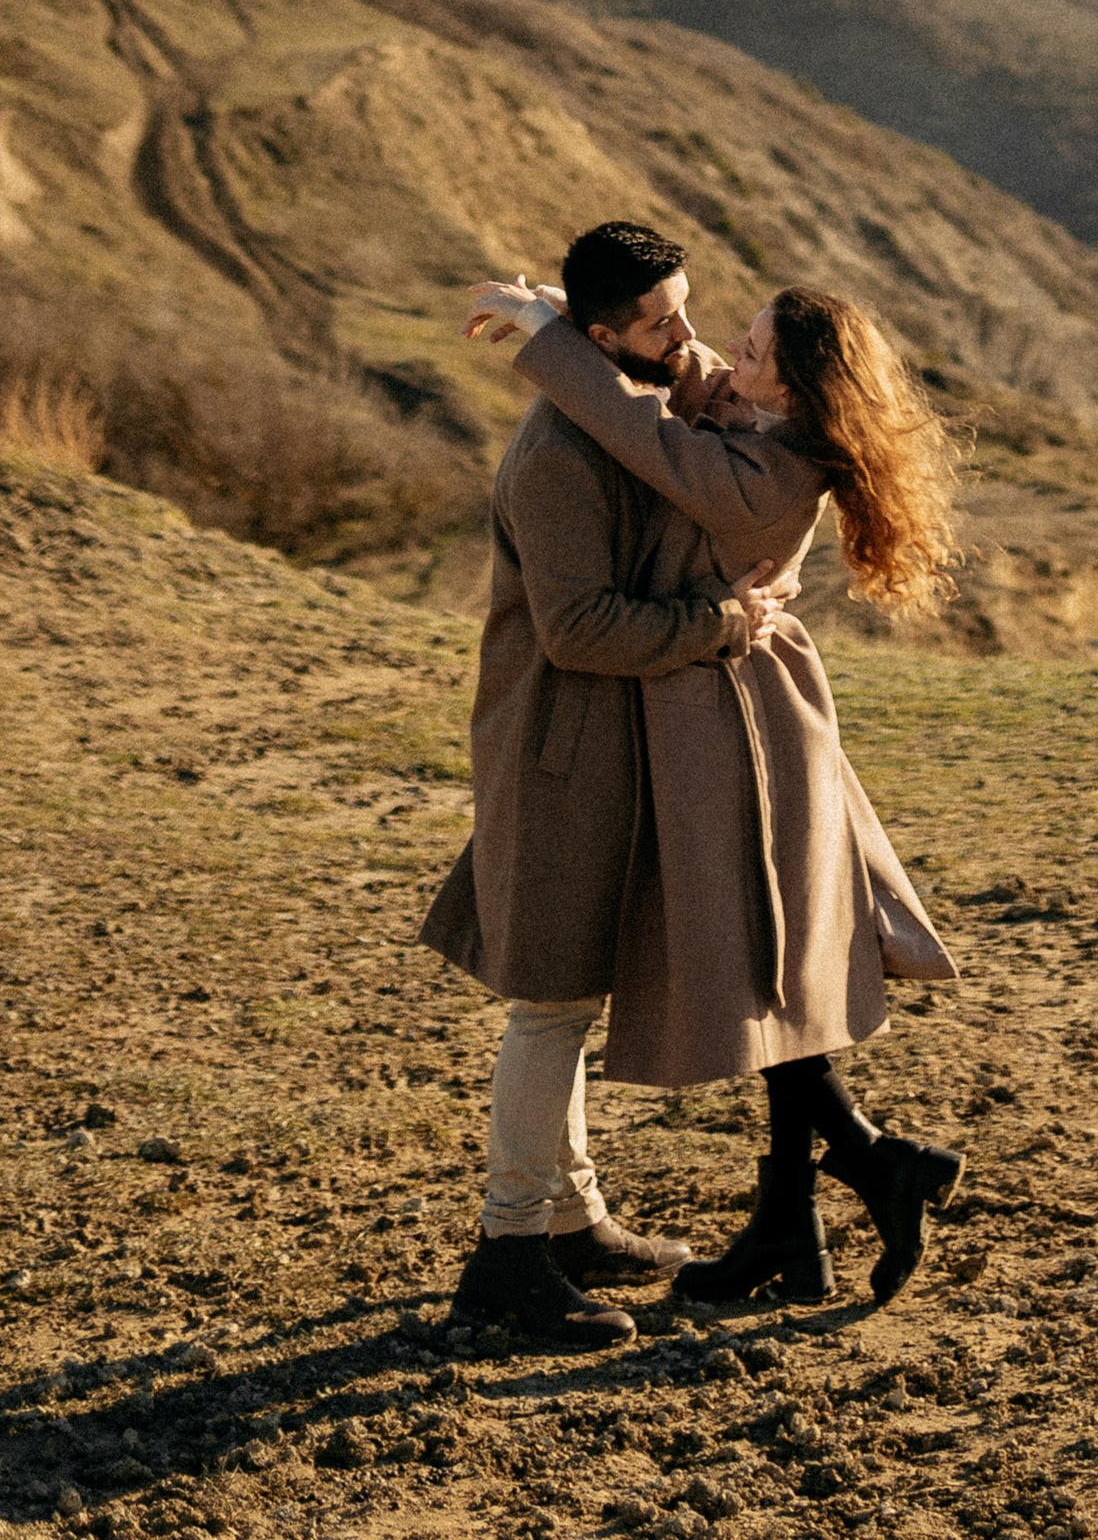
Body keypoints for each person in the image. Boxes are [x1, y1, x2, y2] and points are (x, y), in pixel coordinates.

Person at [467, 262, 965, 1309]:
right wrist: (574, 327)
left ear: (793, 390)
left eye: (747, 352)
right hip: (713, 718)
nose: (711, 354)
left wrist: (546, 334)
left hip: (738, 727)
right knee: (768, 965)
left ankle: (846, 1178)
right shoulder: (757, 426)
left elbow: (648, 431)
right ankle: (817, 1206)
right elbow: (676, 386)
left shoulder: (762, 471)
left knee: (767, 964)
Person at [420, 219, 787, 1352]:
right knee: (550, 1006)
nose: (685, 340)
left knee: (568, 1002)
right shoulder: (559, 458)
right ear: (598, 338)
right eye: (658, 323)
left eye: (686, 308)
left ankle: (571, 1222)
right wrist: (724, 624)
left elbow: (695, 399)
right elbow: (577, 629)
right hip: (558, 749)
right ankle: (506, 1260)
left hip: (599, 743)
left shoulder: (631, 401)